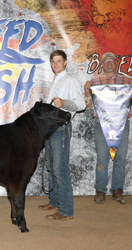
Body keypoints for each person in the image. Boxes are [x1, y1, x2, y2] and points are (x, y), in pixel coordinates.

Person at [84, 52, 132, 204]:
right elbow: (88, 105)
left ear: (116, 63)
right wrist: (86, 90)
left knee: (120, 159)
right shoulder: (94, 82)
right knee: (102, 158)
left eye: (111, 61)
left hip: (122, 124)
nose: (109, 63)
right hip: (101, 124)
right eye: (106, 61)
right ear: (102, 65)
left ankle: (117, 189)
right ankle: (100, 190)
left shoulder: (128, 81)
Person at [38, 50, 85, 220]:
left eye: (59, 61)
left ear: (65, 62)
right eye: (53, 61)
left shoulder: (70, 80)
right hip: (51, 129)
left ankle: (66, 210)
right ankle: (55, 201)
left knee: (60, 169)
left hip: (61, 129)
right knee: (51, 167)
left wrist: (64, 102)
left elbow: (81, 104)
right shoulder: (55, 81)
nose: (56, 64)